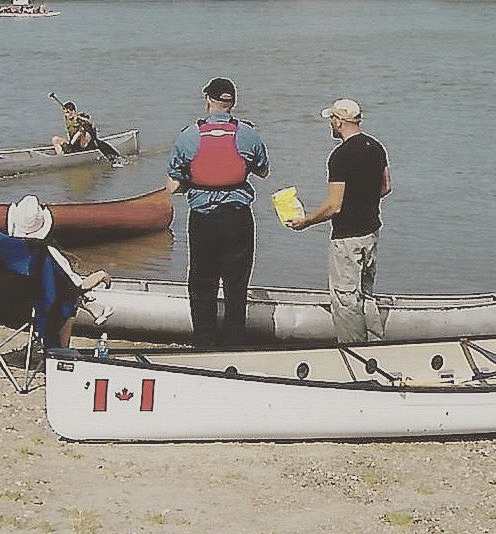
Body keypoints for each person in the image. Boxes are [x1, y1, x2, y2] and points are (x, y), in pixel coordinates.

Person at [166, 77, 269, 348]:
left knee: (202, 283)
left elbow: (172, 185)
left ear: (207, 100)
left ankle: (205, 344)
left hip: (204, 219)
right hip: (238, 217)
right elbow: (263, 171)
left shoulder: (189, 135)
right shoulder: (247, 133)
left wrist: (195, 178)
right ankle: (234, 343)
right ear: (233, 103)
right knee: (237, 284)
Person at [287, 99, 392, 343]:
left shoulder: (340, 156)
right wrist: (362, 198)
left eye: (332, 120)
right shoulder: (376, 147)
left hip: (347, 237)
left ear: (340, 121)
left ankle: (352, 350)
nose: (331, 125)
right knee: (366, 295)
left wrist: (306, 221)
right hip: (371, 232)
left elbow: (334, 206)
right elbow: (386, 186)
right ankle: (378, 346)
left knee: (346, 298)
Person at [6, 194, 113, 348]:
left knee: (61, 290)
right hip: (37, 309)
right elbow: (77, 286)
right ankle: (62, 349)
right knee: (69, 297)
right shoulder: (48, 254)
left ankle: (93, 308)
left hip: (6, 306)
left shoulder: (6, 252)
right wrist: (100, 275)